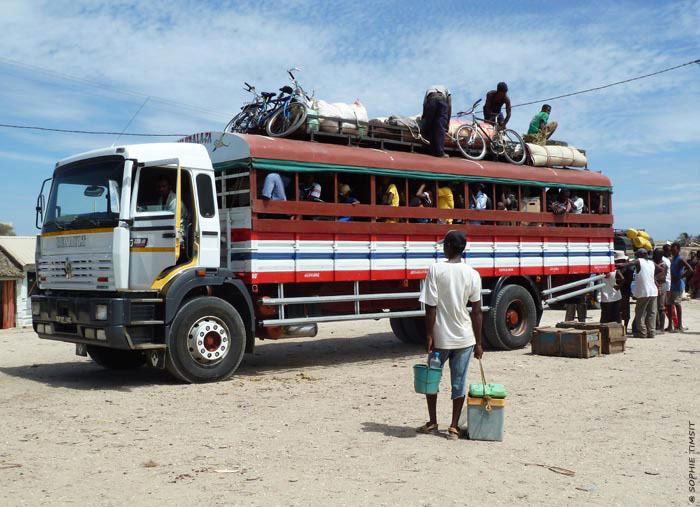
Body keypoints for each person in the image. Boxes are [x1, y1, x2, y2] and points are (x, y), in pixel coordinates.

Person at [417, 230, 483, 440]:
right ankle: (453, 427)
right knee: (459, 382)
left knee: (431, 379)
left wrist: (429, 334)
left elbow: (430, 306)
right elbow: (477, 311)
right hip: (465, 338)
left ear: (447, 247)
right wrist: (479, 343)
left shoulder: (435, 270)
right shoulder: (472, 274)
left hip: (440, 339)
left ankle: (433, 422)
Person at [621, 248, 658, 338]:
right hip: (653, 291)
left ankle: (642, 332)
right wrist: (654, 279)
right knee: (651, 313)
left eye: (636, 255)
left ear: (640, 255)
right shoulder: (651, 263)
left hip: (644, 291)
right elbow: (662, 269)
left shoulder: (639, 261)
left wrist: (613, 264)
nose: (635, 256)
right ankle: (651, 332)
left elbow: (626, 264)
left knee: (640, 312)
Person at [667, 242, 694, 332]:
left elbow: (690, 269)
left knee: (677, 304)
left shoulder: (680, 259)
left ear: (678, 250)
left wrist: (680, 277)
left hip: (678, 285)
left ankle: (679, 326)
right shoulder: (673, 259)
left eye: (674, 250)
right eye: (671, 250)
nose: (672, 251)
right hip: (672, 285)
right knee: (669, 305)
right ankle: (670, 325)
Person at [421, 85, 452, 158]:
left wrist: (425, 120)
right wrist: (447, 122)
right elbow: (449, 105)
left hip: (431, 100)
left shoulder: (429, 89)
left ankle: (427, 148)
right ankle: (440, 152)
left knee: (429, 126)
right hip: (441, 100)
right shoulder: (447, 89)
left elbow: (424, 105)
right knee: (440, 126)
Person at [600, 251, 625, 323]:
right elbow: (623, 279)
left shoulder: (600, 271)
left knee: (605, 315)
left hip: (605, 296)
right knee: (616, 315)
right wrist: (618, 287)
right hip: (615, 295)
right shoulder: (615, 271)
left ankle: (604, 331)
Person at [652, 248, 668, 333]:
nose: (654, 256)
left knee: (661, 308)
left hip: (661, 285)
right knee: (655, 307)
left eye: (656, 254)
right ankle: (656, 325)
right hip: (655, 286)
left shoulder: (663, 264)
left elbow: (662, 276)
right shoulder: (654, 262)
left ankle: (661, 328)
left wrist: (653, 279)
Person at [619, 253, 634, 334]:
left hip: (623, 291)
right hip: (625, 291)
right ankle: (624, 326)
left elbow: (625, 280)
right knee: (624, 310)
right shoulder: (629, 268)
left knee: (623, 310)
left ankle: (624, 327)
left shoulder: (626, 269)